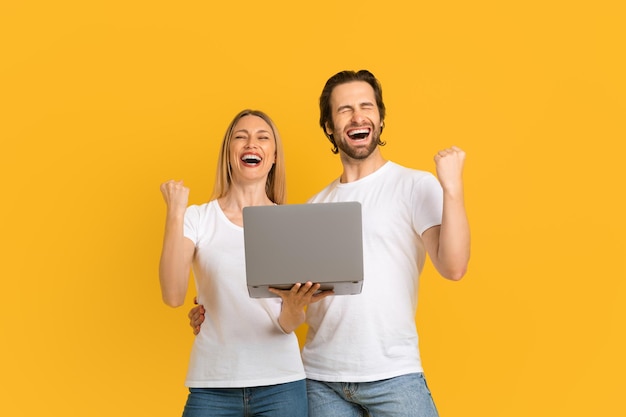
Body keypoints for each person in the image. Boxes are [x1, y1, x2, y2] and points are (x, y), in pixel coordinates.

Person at [189, 71, 471, 417]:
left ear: (380, 118)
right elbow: (280, 297)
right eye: (344, 110)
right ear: (329, 127)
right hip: (320, 379)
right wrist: (212, 311)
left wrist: (453, 189)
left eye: (366, 106)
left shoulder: (414, 185)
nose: (357, 116)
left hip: (393, 374)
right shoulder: (310, 209)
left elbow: (453, 266)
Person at [159, 109, 331, 417]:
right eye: (241, 137)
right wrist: (175, 212)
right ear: (229, 153)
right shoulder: (198, 217)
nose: (251, 143)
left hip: (281, 383)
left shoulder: (290, 223)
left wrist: (294, 307)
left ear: (274, 156)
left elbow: (288, 323)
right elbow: (173, 295)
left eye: (262, 137)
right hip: (212, 384)